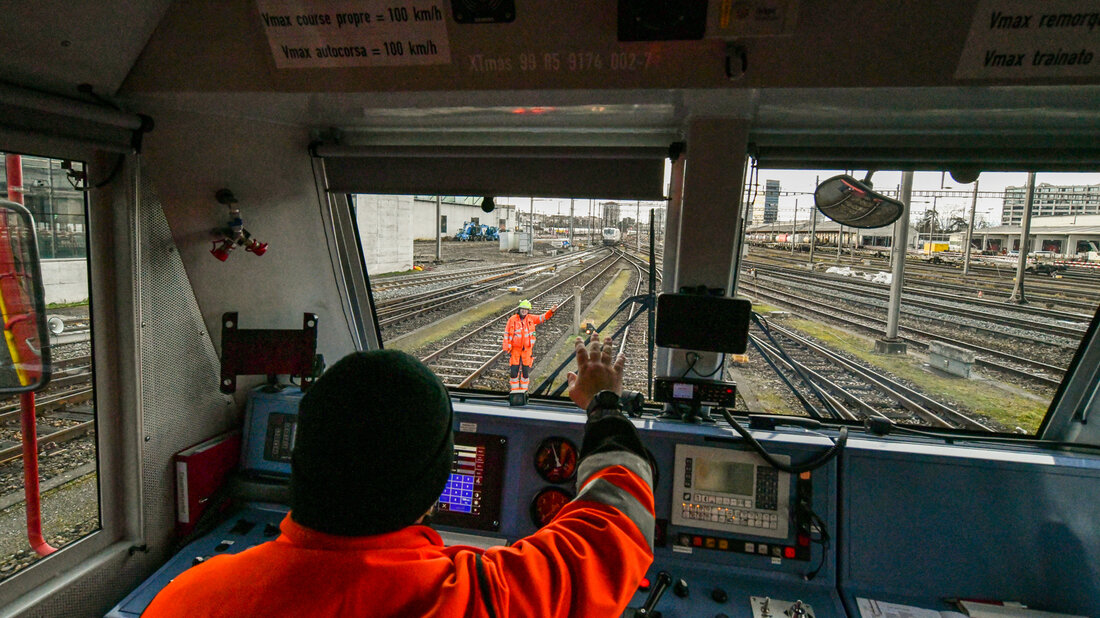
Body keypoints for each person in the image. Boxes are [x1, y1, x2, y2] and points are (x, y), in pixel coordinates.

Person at [143, 336, 654, 617]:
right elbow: (614, 528)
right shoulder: (475, 600)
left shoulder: (185, 598)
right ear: (433, 486)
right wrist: (604, 404)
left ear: (297, 463)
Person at [502, 299, 556, 393]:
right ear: (519, 309)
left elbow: (542, 318)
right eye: (522, 309)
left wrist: (551, 311)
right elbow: (506, 333)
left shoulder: (531, 318)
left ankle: (523, 391)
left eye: (526, 309)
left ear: (528, 311)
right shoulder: (512, 319)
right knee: (514, 372)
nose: (524, 311)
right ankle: (514, 391)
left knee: (525, 373)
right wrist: (506, 346)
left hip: (527, 350)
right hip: (515, 350)